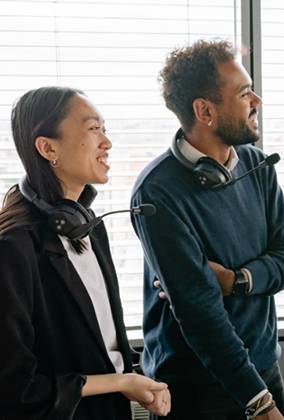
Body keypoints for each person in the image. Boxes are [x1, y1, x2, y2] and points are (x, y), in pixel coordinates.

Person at [130, 40, 284, 420]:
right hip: (197, 386)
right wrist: (256, 400)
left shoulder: (257, 165)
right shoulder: (156, 192)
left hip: (262, 368)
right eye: (244, 93)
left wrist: (237, 280)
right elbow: (199, 311)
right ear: (205, 110)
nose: (257, 100)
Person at [0, 86, 170, 419]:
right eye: (94, 129)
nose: (107, 143)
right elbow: (15, 390)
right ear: (48, 147)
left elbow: (99, 341)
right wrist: (119, 382)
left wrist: (134, 378)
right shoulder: (13, 249)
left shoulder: (91, 228)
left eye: (104, 130)